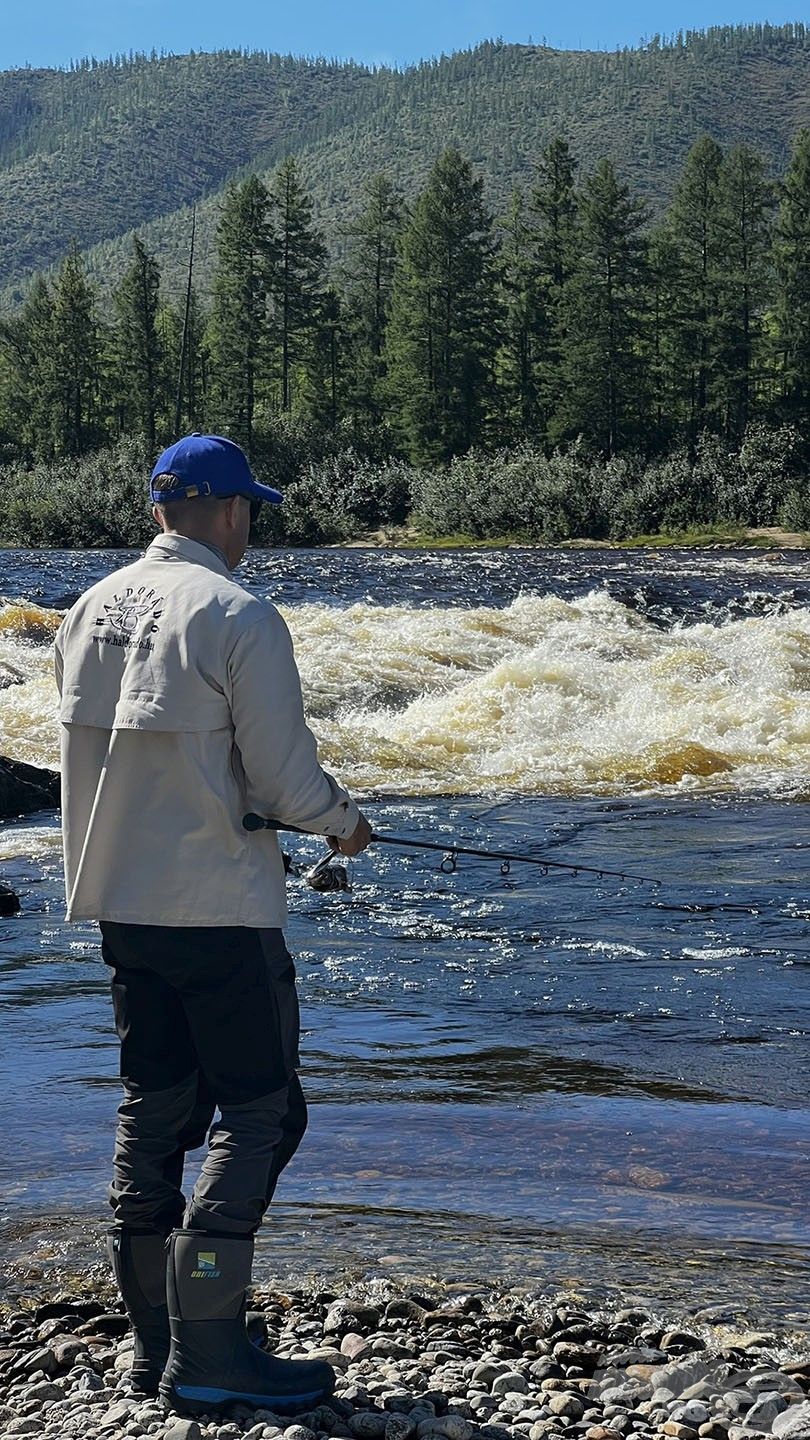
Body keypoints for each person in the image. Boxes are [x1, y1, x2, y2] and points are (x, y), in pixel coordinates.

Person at [54, 434, 371, 1418]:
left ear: (162, 511)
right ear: (232, 513)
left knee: (155, 1113)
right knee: (261, 1115)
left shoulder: (88, 606)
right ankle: (209, 1346)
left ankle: (155, 1350)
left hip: (119, 905)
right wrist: (342, 823)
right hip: (221, 916)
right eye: (251, 515)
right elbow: (281, 782)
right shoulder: (240, 615)